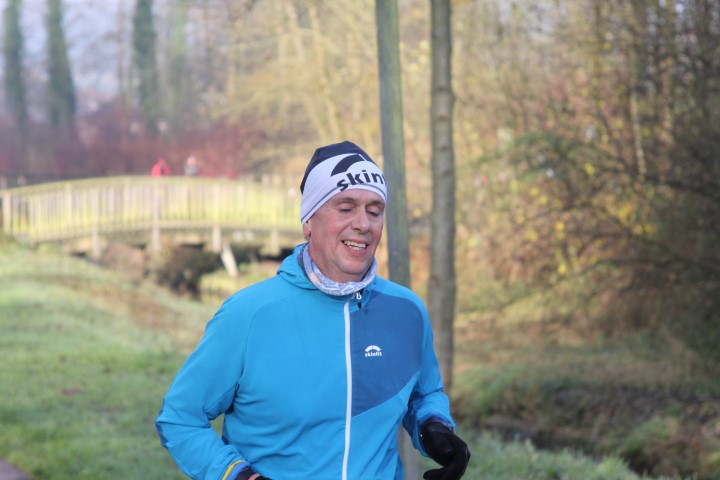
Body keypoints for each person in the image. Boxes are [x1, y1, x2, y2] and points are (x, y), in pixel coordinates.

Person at [155, 141, 470, 480]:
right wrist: (237, 475)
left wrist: (433, 426)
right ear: (308, 221)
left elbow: (424, 392)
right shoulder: (248, 316)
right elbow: (180, 419)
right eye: (346, 208)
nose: (363, 224)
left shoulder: (407, 311)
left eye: (375, 210)